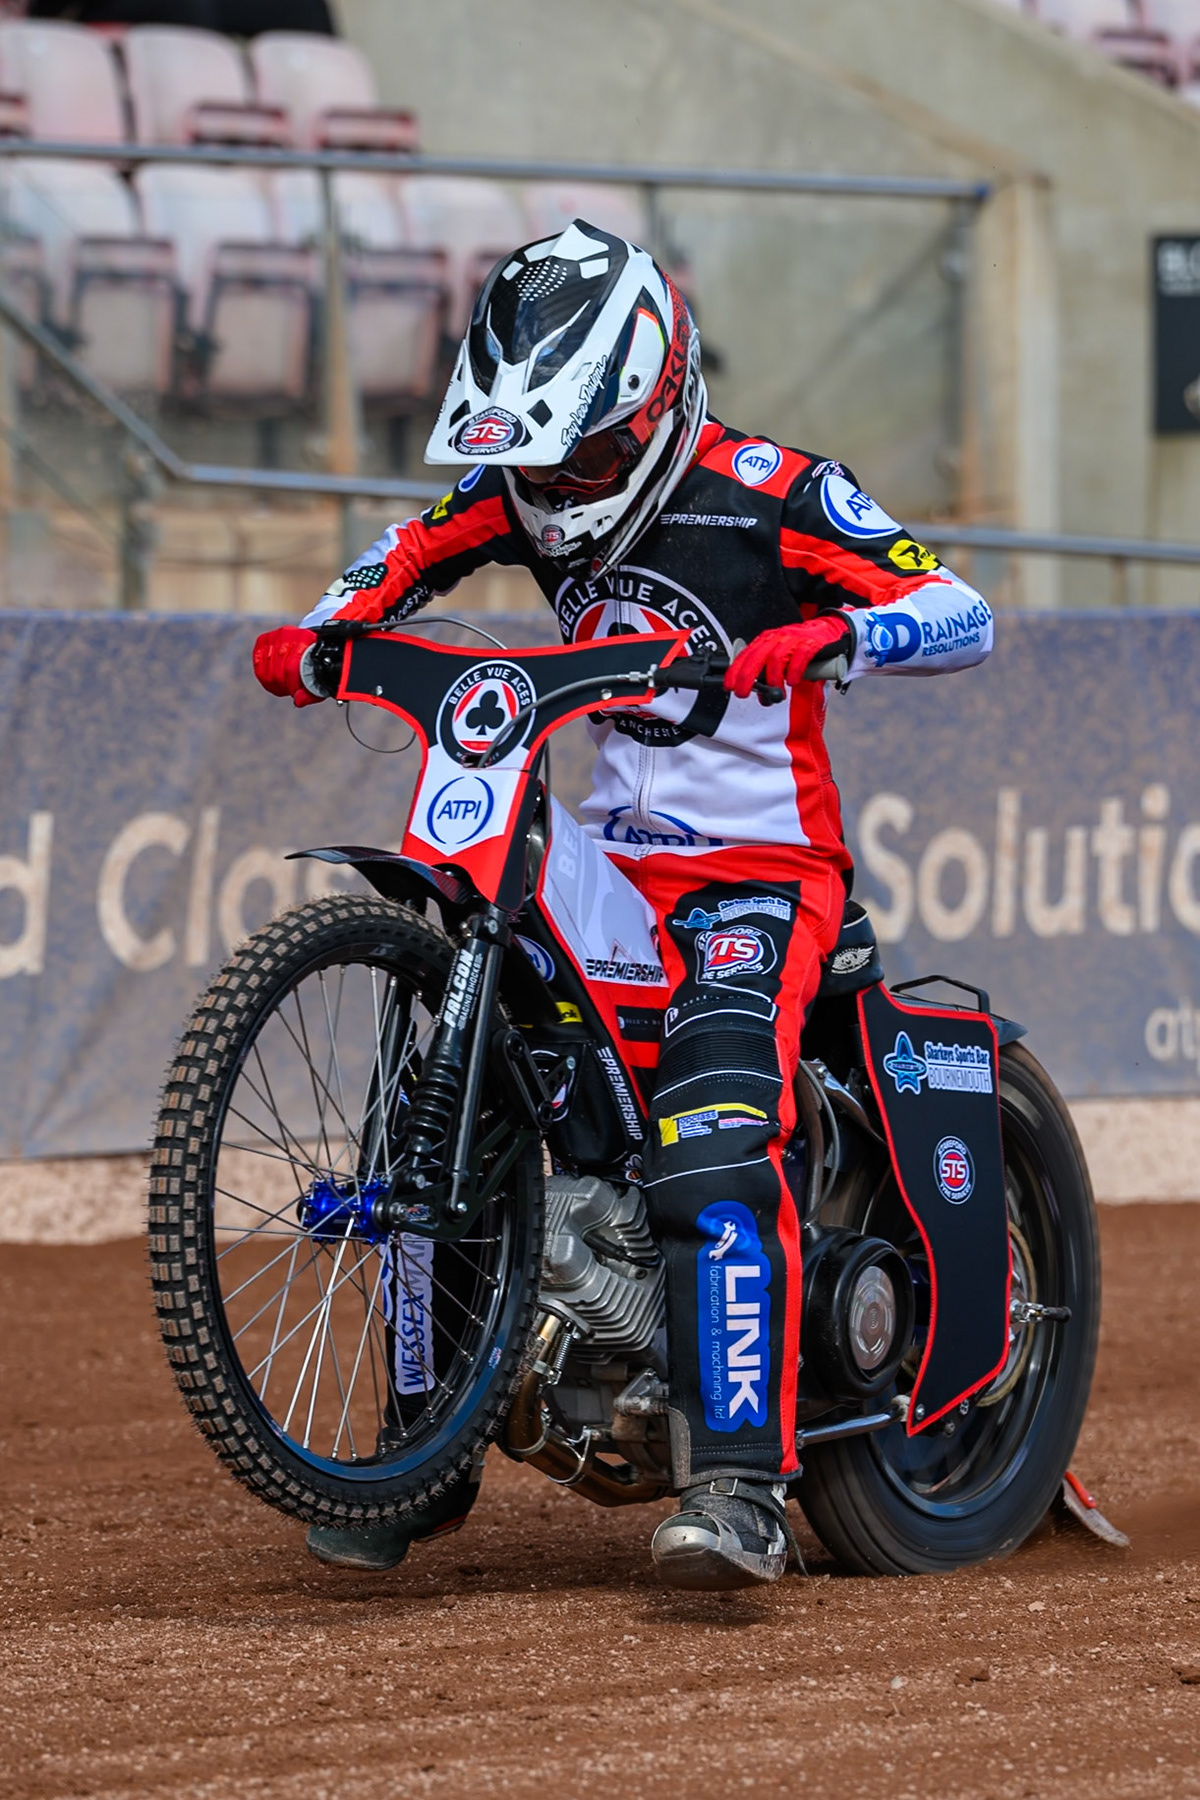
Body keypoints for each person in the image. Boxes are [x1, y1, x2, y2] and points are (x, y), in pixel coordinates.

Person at [253, 220, 994, 1591]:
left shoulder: (779, 492)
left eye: (581, 457)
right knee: (452, 1084)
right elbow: (399, 551)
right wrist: (320, 629)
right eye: (534, 460)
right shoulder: (519, 490)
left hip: (760, 873)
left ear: (656, 403)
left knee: (710, 1136)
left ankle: (741, 1484)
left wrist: (836, 634)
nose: (552, 489)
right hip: (614, 856)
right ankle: (424, 1447)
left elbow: (959, 609)